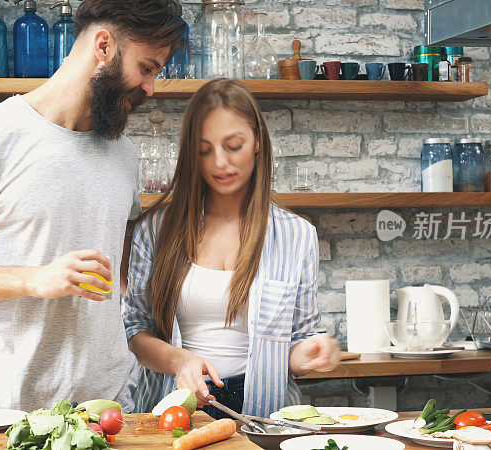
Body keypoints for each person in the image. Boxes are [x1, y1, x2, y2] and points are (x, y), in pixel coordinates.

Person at [0, 0, 186, 412]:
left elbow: (123, 274)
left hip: (109, 410)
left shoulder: (124, 155)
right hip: (8, 414)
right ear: (103, 46)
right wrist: (33, 279)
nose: (150, 89)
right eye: (146, 67)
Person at [123, 79, 341, 419]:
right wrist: (180, 360)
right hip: (176, 409)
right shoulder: (156, 229)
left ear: (256, 141)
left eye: (233, 145)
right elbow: (135, 330)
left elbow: (296, 346)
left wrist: (311, 352)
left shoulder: (297, 235)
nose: (219, 163)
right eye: (204, 150)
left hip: (265, 414)